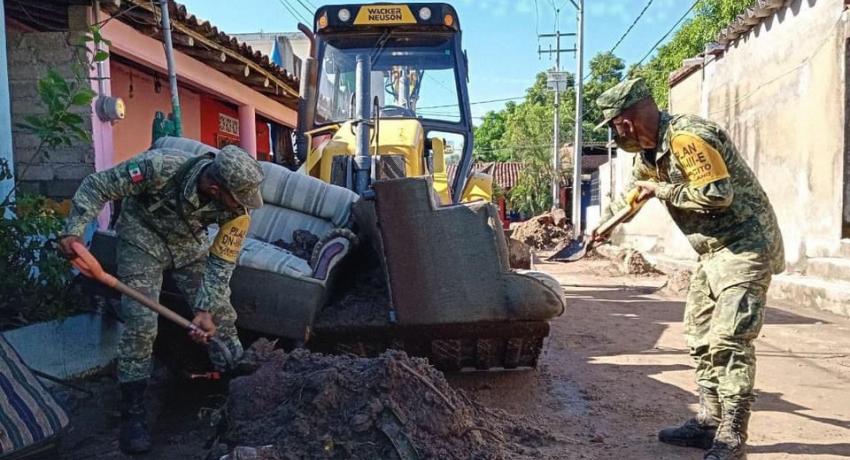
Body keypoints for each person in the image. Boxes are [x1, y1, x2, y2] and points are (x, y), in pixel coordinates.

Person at [593, 78, 784, 460]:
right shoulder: (648, 155)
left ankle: (732, 435)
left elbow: (717, 194)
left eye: (614, 125)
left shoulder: (687, 138)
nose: (616, 134)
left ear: (626, 121)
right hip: (712, 253)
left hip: (745, 246)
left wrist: (661, 191)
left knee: (729, 340)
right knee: (698, 335)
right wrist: (600, 230)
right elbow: (632, 195)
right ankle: (709, 421)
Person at [58, 143, 264, 454]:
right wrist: (72, 230)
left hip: (188, 246)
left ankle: (235, 385)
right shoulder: (159, 167)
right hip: (142, 241)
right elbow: (98, 185)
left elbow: (221, 263)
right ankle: (133, 410)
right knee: (142, 323)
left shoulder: (238, 213)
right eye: (237, 197)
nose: (243, 206)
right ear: (213, 186)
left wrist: (206, 310)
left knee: (221, 314)